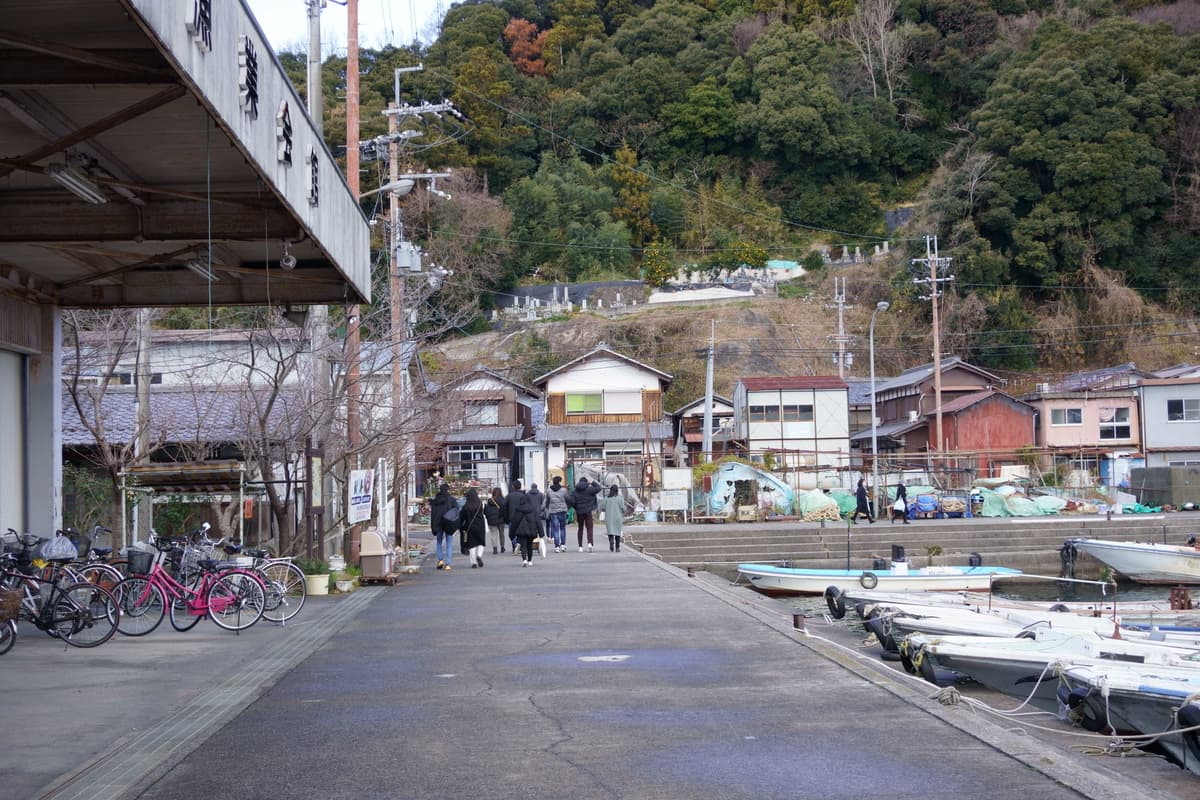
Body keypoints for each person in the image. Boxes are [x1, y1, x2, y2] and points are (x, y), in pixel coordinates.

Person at [504, 479, 539, 567]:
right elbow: (537, 520)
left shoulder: (509, 496)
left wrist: (505, 517)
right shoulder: (524, 496)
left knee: (515, 534)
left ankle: (516, 545)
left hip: (513, 518)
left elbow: (504, 506)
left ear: (513, 487)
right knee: (528, 543)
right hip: (527, 522)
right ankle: (521, 550)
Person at [430, 483, 458, 570]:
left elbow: (433, 514)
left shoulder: (436, 500)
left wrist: (433, 526)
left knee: (439, 542)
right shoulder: (452, 500)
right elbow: (456, 511)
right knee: (449, 544)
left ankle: (440, 560)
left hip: (438, 524)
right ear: (448, 490)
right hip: (448, 523)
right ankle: (448, 564)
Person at [570, 477, 603, 552]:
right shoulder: (590, 489)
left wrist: (576, 507)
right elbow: (599, 488)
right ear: (586, 482)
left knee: (580, 528)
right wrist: (592, 482)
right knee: (589, 528)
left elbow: (571, 500)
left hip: (579, 511)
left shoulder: (575, 491)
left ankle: (580, 546)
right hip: (588, 511)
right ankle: (590, 543)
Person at [459, 487, 488, 568]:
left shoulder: (466, 506)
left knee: (472, 545)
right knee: (481, 542)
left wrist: (460, 526)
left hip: (470, 527)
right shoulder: (481, 504)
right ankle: (479, 555)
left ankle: (474, 563)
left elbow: (462, 517)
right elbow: (486, 513)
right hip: (480, 526)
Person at [544, 475, 570, 553]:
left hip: (553, 512)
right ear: (559, 482)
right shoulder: (564, 490)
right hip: (563, 511)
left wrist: (547, 509)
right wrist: (567, 507)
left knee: (555, 529)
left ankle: (557, 546)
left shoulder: (549, 491)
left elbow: (547, 501)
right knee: (562, 528)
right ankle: (563, 545)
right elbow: (568, 499)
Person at [527, 482, 547, 559]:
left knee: (531, 529)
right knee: (539, 528)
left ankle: (532, 543)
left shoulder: (527, 495)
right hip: (538, 514)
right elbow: (543, 504)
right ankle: (538, 543)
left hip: (530, 513)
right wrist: (541, 511)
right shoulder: (541, 494)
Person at [484, 486, 506, 554]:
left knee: (493, 534)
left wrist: (488, 517)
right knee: (501, 534)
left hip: (492, 520)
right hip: (501, 519)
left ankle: (495, 549)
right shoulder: (503, 500)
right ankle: (502, 547)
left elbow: (486, 511)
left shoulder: (490, 501)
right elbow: (505, 510)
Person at [603, 484, 624, 552]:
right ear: (617, 491)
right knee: (618, 533)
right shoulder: (620, 498)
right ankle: (617, 547)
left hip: (609, 518)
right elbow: (623, 508)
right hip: (618, 518)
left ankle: (611, 541)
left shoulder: (606, 498)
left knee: (610, 531)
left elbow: (602, 507)